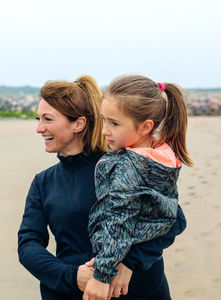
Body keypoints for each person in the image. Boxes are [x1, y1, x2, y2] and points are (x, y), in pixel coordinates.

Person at [17, 75, 187, 300]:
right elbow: (28, 245)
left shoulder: (122, 165)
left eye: (47, 119)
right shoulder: (43, 182)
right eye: (38, 119)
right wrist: (72, 275)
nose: (39, 128)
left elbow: (173, 219)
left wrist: (128, 262)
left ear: (78, 124)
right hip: (72, 292)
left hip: (137, 290)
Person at [83, 75, 193, 300]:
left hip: (122, 279)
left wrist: (102, 274)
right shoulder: (161, 158)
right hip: (151, 271)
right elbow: (172, 216)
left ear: (145, 127)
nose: (104, 130)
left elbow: (118, 222)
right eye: (104, 120)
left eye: (114, 123)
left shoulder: (128, 167)